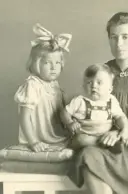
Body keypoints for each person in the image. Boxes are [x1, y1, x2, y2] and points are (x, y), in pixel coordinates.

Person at [68, 12, 128, 194]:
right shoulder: (101, 73)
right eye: (114, 37)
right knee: (89, 155)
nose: (119, 43)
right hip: (103, 142)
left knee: (93, 156)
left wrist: (121, 133)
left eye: (125, 37)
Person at [14, 23, 72, 152]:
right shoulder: (32, 85)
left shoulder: (54, 84)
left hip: (56, 136)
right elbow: (25, 117)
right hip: (39, 139)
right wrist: (33, 141)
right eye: (47, 63)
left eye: (57, 63)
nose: (53, 67)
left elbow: (61, 111)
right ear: (37, 63)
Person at [60, 63, 128, 155]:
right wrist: (69, 122)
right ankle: (109, 145)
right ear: (83, 86)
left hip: (106, 134)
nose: (94, 86)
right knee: (82, 140)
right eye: (89, 82)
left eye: (99, 83)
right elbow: (64, 112)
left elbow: (120, 117)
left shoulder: (111, 100)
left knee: (118, 134)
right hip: (85, 135)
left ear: (110, 89)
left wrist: (125, 129)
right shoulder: (80, 100)